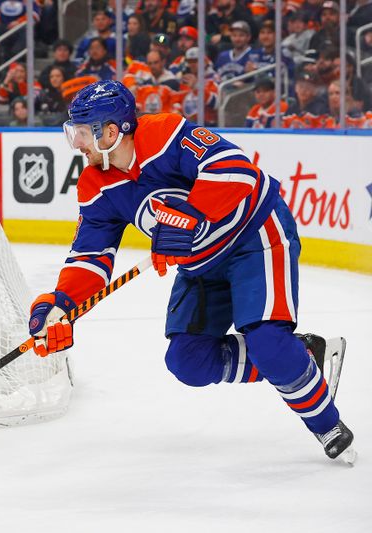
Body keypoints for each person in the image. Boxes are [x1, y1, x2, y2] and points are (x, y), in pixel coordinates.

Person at [27, 79, 355, 463]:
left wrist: (192, 217)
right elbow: (89, 256)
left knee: (267, 341)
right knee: (189, 362)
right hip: (201, 265)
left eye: (83, 133)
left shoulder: (164, 134)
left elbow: (237, 170)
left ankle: (325, 421)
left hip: (255, 236)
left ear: (112, 131)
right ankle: (302, 356)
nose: (77, 143)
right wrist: (61, 305)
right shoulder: (95, 185)